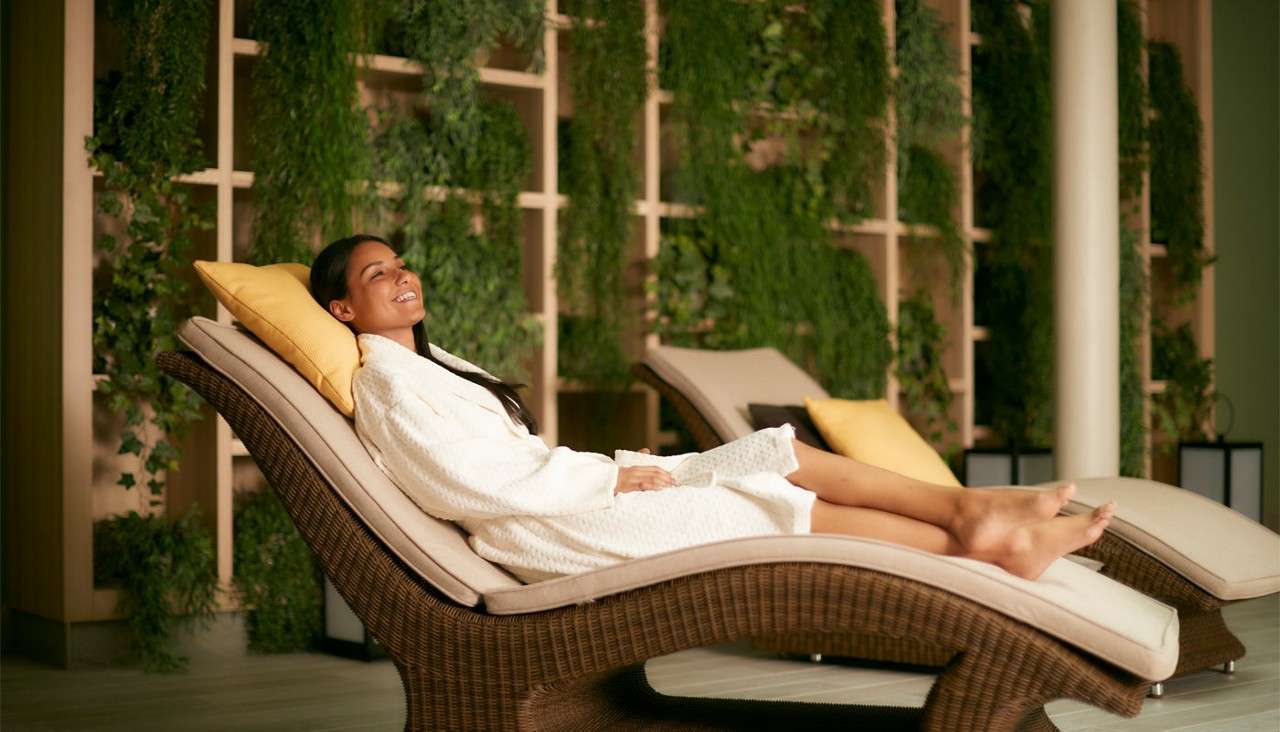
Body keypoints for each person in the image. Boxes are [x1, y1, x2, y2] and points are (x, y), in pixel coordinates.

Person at [311, 234, 1115, 584]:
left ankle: (971, 519)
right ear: (344, 310)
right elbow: (464, 484)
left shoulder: (435, 365)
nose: (402, 277)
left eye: (402, 264)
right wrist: (613, 485)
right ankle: (981, 542)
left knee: (775, 452)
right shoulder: (386, 383)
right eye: (377, 274)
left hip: (579, 495)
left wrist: (618, 475)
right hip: (552, 528)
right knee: (756, 490)